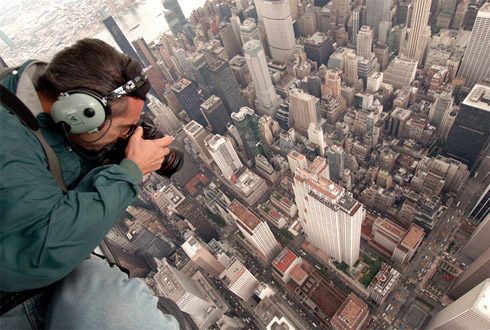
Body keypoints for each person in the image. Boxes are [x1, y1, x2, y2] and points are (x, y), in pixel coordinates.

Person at [0, 38, 180, 329]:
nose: (126, 137)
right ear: (84, 111)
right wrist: (129, 172)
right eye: (124, 130)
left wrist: (112, 159)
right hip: (17, 292)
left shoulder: (39, 108)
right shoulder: (6, 141)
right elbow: (40, 252)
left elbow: (57, 172)